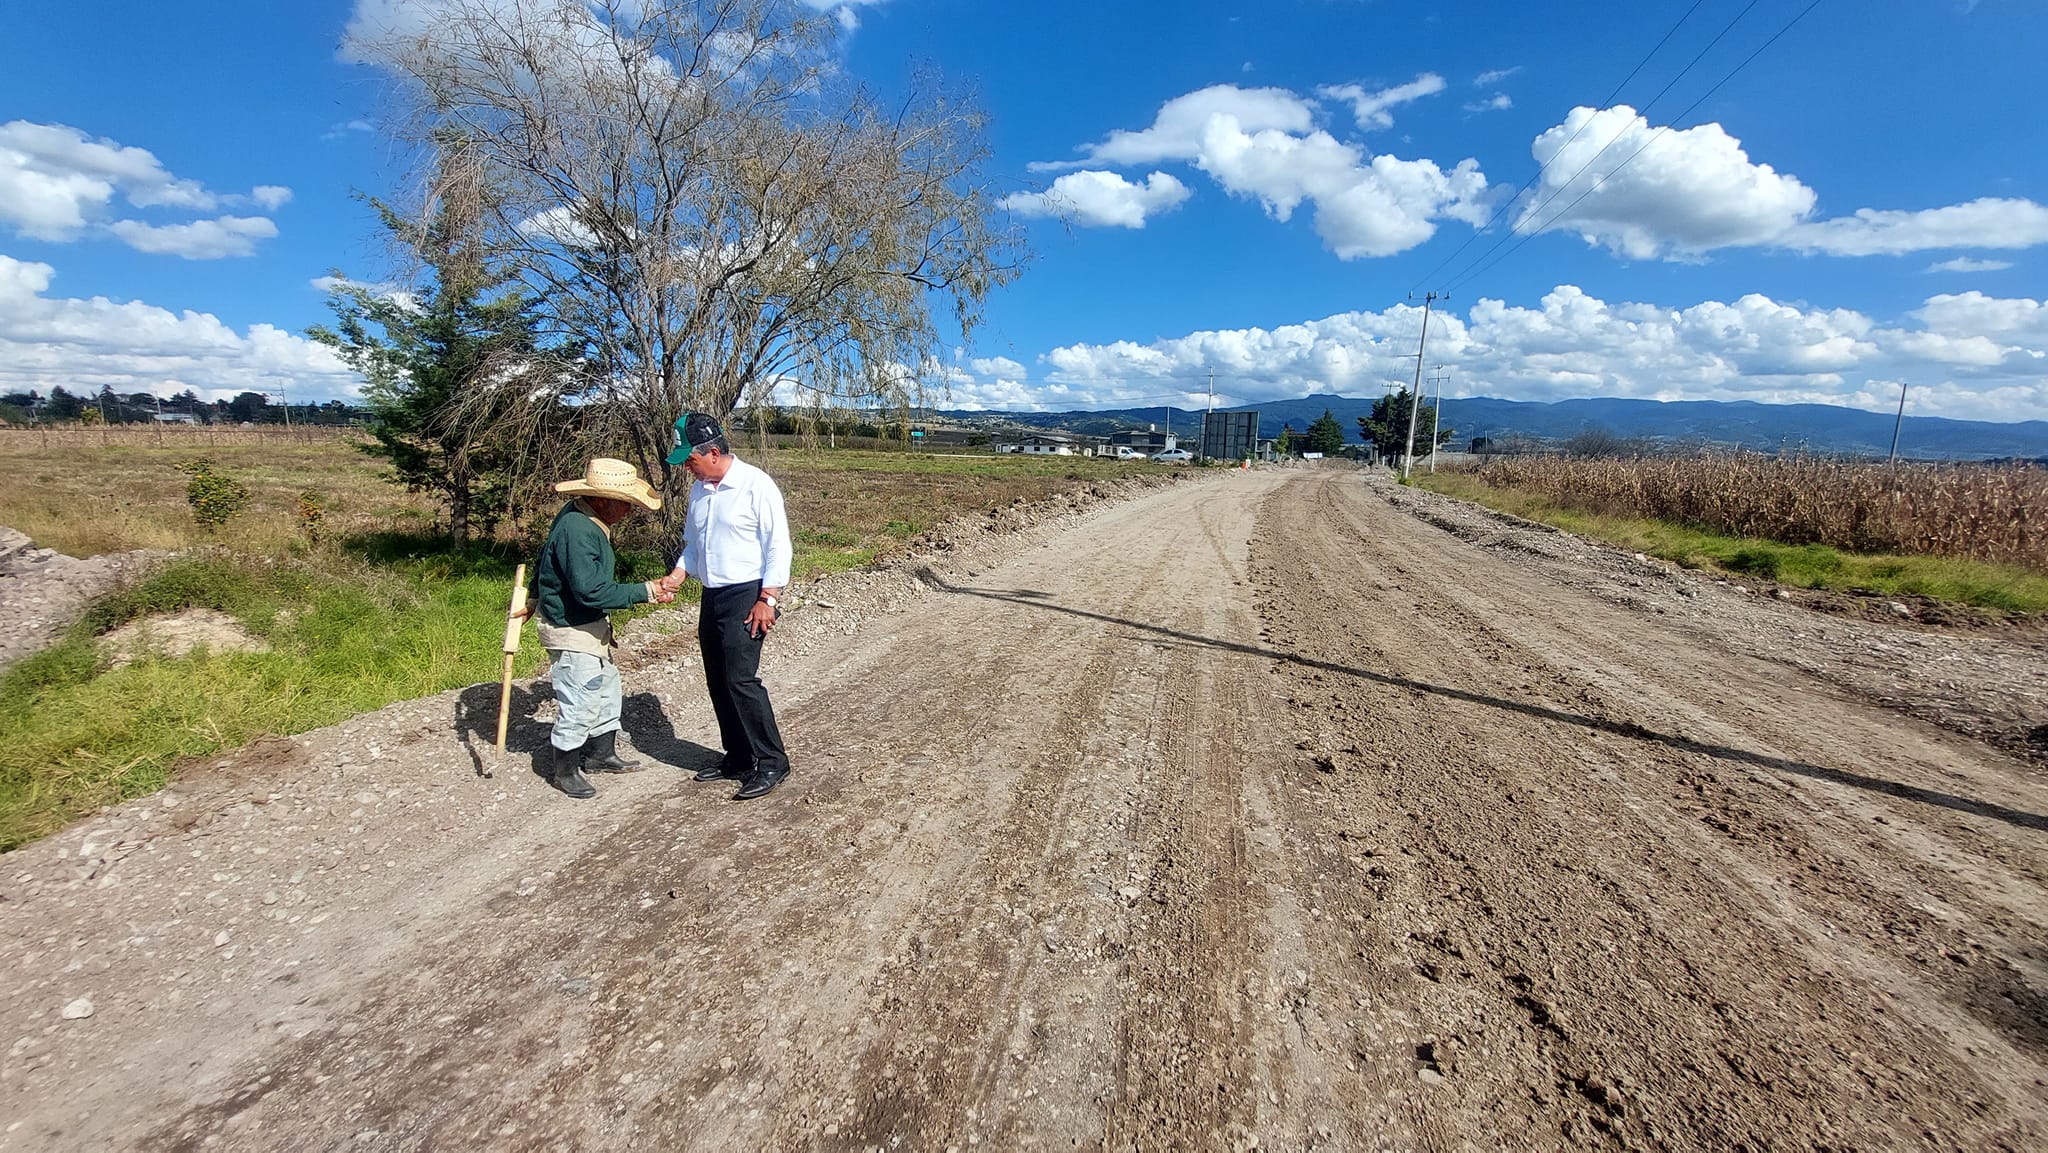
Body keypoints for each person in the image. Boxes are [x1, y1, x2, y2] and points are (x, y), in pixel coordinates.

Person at [657, 412, 792, 800]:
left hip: (747, 594)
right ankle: (737, 756)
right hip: (712, 595)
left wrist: (768, 598)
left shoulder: (755, 485)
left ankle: (771, 761)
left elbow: (778, 546)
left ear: (713, 452)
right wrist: (680, 574)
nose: (687, 467)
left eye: (691, 460)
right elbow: (694, 546)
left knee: (740, 679)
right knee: (717, 678)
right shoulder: (701, 490)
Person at [527, 457, 675, 799]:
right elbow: (589, 590)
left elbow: (545, 559)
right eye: (624, 504)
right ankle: (564, 770)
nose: (628, 511)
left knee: (606, 689)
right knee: (580, 699)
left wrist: (535, 594)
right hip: (571, 625)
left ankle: (600, 754)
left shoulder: (578, 516)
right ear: (602, 500)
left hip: (587, 624)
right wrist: (647, 591)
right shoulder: (578, 530)